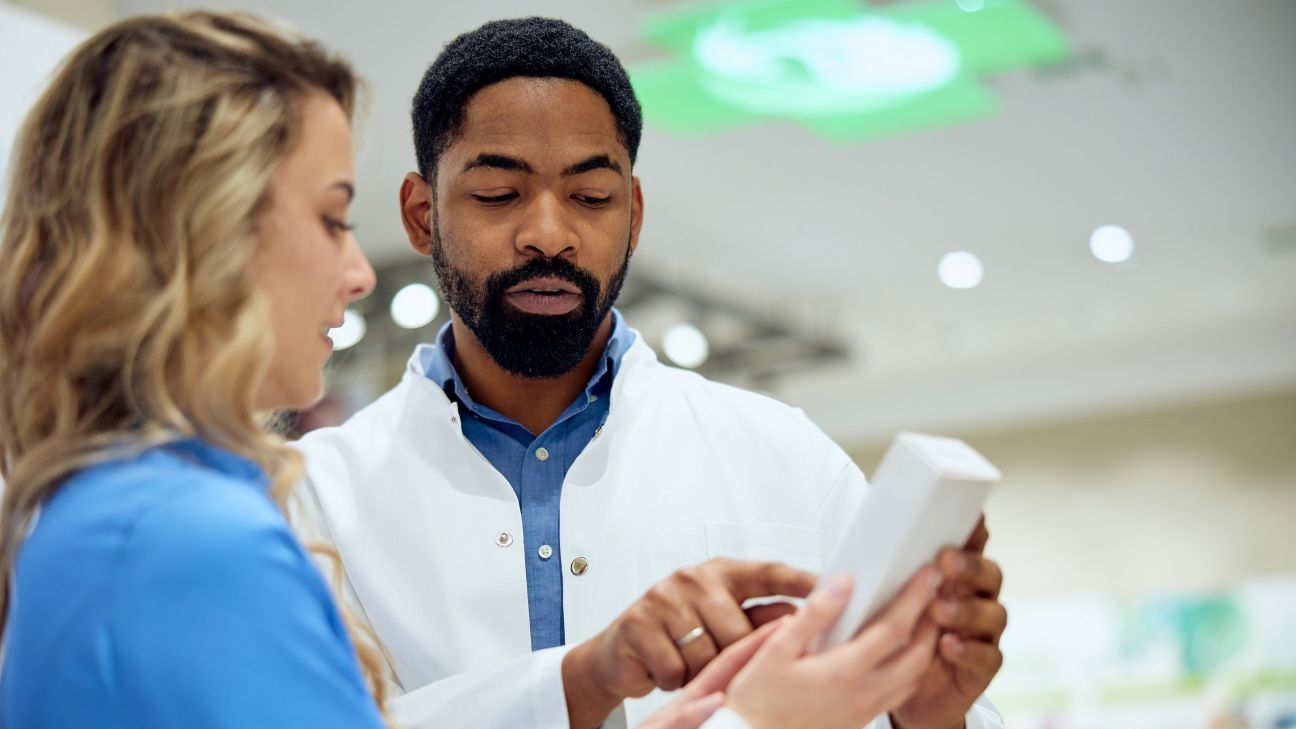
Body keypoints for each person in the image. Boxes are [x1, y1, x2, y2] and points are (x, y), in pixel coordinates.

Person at [0, 12, 944, 729]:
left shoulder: (119, 516)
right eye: (334, 218)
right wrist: (760, 714)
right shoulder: (203, 533)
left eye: (590, 192)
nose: (360, 269)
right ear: (205, 236)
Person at [293, 16, 1008, 729]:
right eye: (498, 194)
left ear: (633, 214)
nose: (549, 232)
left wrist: (929, 717)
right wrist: (581, 678)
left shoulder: (785, 453)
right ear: (422, 215)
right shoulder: (311, 497)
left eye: (591, 197)